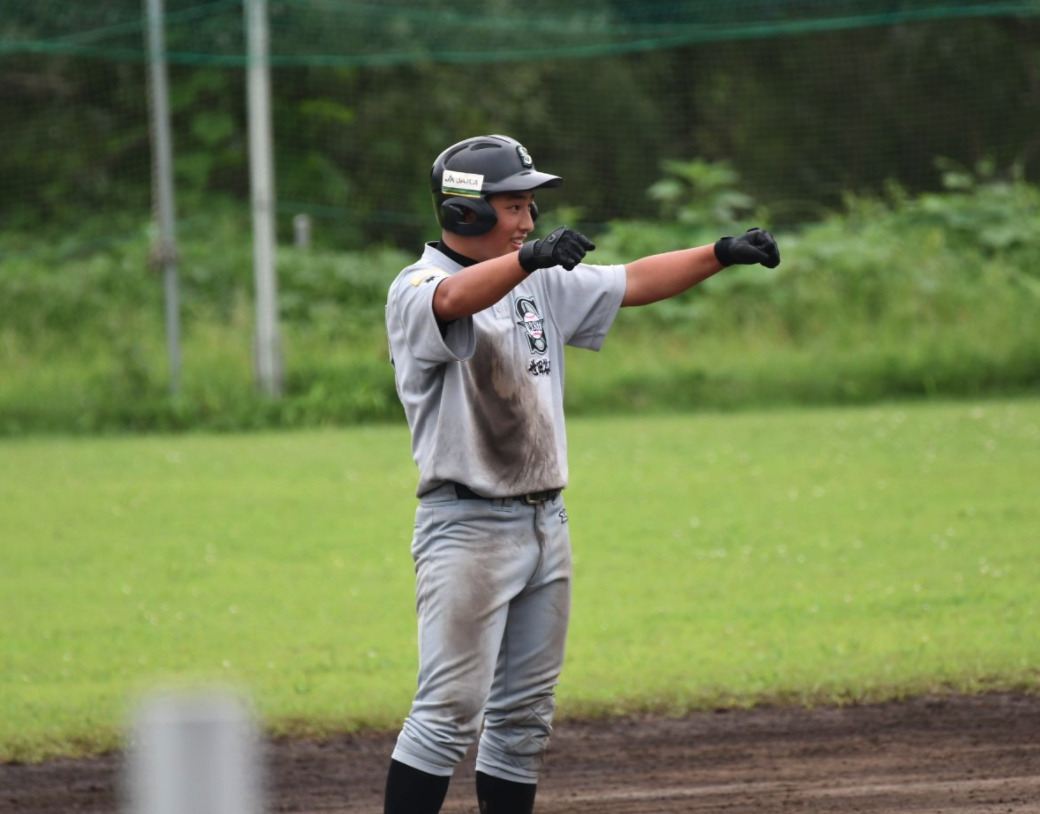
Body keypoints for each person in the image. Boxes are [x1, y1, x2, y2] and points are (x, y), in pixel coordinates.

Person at [383, 134, 779, 814]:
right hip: (467, 527)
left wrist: (718, 255)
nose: (528, 222)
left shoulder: (535, 279)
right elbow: (452, 301)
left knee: (523, 721)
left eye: (530, 207)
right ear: (466, 214)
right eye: (512, 207)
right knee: (449, 712)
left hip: (547, 522)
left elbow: (634, 280)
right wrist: (529, 261)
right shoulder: (416, 288)